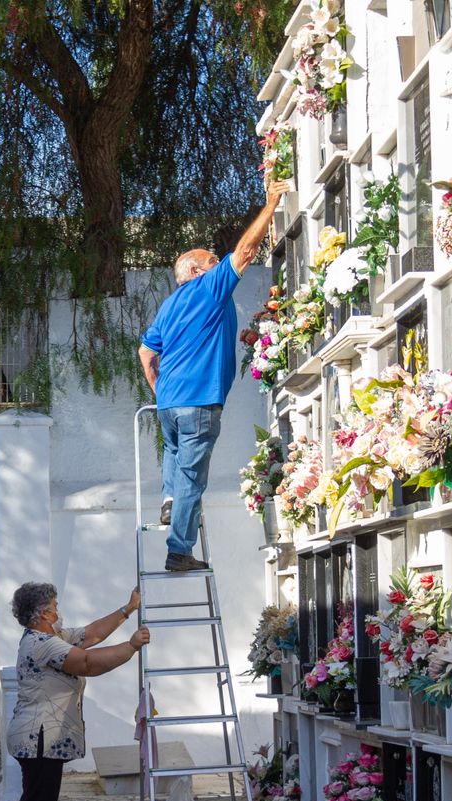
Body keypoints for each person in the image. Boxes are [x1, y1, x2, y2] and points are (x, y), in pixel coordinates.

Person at [139, 179, 291, 572]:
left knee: (175, 461)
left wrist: (160, 388)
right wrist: (271, 202)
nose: (216, 262)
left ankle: (169, 505)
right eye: (210, 259)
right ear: (194, 270)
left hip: (169, 403)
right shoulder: (209, 287)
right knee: (192, 477)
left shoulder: (170, 304)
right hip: (199, 401)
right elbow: (245, 250)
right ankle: (179, 551)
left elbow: (145, 351)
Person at [7, 581, 150, 801]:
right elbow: (87, 663)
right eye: (56, 607)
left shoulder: (49, 636)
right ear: (44, 613)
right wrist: (132, 646)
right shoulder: (43, 644)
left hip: (37, 735)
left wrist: (127, 610)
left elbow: (91, 634)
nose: (59, 612)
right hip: (39, 736)